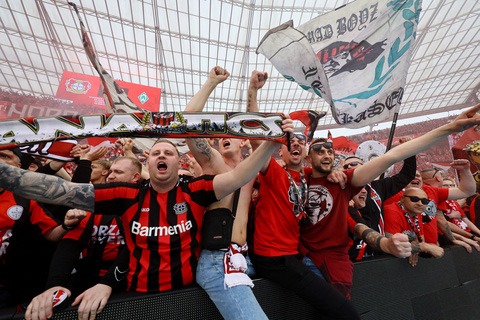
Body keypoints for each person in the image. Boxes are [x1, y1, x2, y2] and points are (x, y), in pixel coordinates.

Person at [0, 120, 292, 320]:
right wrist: (6, 174)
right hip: (136, 300)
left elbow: (240, 176)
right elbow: (65, 191)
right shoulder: (124, 194)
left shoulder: (196, 191)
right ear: (148, 163)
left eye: (168, 152)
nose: (162, 155)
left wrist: (270, 143)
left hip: (188, 297)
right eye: (156, 153)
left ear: (179, 163)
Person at [184, 66, 268, 319]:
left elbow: (259, 134)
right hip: (219, 260)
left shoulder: (252, 169)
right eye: (221, 137)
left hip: (246, 259)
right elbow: (189, 121)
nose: (223, 138)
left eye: (231, 135)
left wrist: (252, 90)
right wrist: (211, 82)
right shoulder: (216, 166)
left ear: (244, 141)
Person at [26, 156, 143, 320]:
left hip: (127, 287)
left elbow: (136, 249)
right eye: (110, 172)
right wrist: (54, 286)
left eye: (118, 172)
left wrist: (108, 283)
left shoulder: (145, 206)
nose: (110, 176)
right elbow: (70, 245)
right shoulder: (95, 204)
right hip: (88, 282)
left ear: (135, 177)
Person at [0, 148, 85, 307]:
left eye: (4, 156)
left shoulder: (24, 198)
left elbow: (50, 233)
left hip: (11, 285)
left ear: (18, 167)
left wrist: (66, 225)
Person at [342, 148, 416, 260]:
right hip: (352, 254)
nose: (349, 167)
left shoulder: (378, 187)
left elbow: (407, 175)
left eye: (354, 163)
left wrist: (409, 152)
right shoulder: (339, 192)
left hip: (380, 250)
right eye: (345, 166)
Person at [384, 187, 444, 266]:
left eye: (424, 201)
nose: (420, 203)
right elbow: (393, 245)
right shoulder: (392, 211)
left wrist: (416, 248)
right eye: (414, 199)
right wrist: (425, 247)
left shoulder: (416, 212)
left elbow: (419, 239)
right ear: (402, 199)